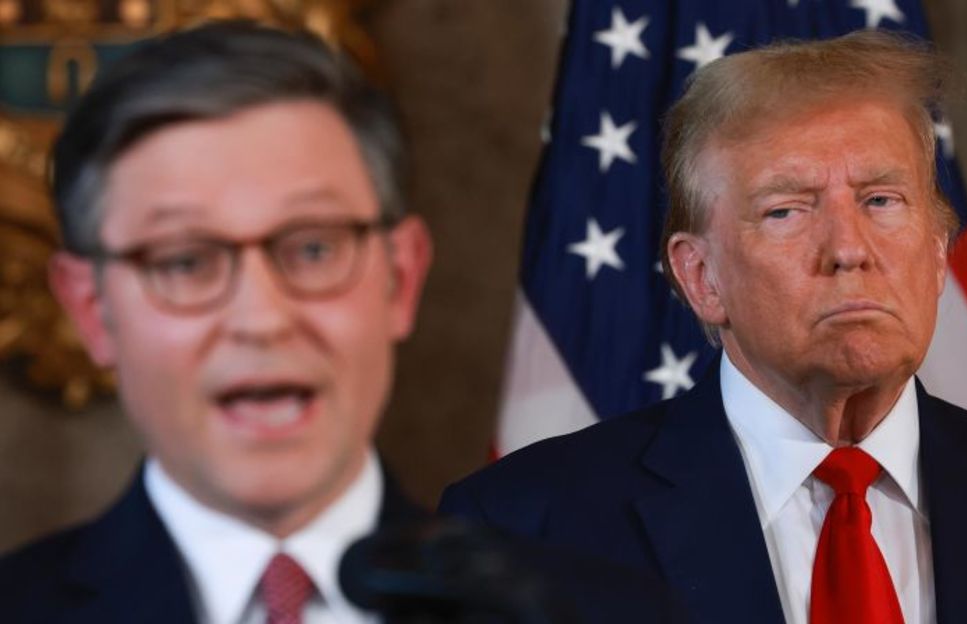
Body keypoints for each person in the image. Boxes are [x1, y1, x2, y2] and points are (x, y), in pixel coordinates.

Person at [0, 21, 684, 624]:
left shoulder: (598, 615)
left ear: (401, 277)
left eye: (314, 248)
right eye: (185, 261)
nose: (262, 318)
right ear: (92, 308)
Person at [440, 30, 967, 624]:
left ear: (938, 254)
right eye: (787, 211)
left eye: (881, 200)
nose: (849, 248)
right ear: (701, 277)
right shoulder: (521, 533)